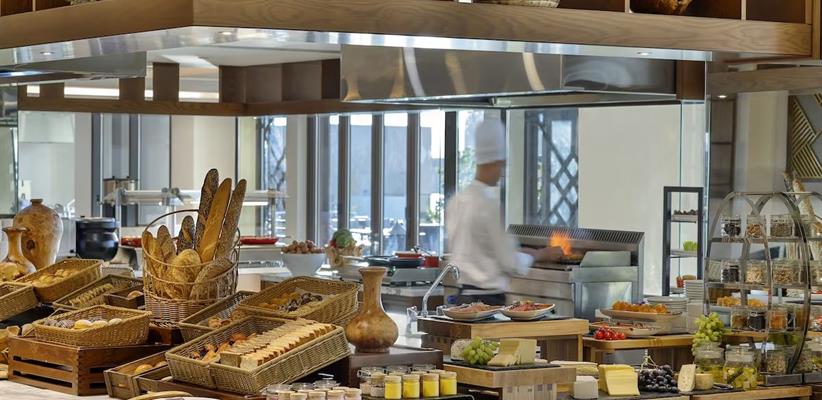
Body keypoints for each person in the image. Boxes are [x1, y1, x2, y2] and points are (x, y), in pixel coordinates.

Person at [445, 115, 562, 305]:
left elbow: (485, 249)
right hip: (487, 301)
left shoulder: (457, 201)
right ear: (495, 163)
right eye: (501, 165)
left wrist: (524, 250)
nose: (501, 172)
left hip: (463, 298)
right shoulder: (487, 205)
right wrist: (543, 254)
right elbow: (508, 261)